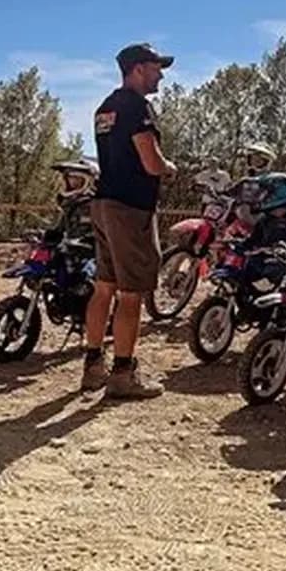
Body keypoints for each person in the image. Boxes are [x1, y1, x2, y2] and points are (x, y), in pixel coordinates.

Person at [82, 43, 177, 398]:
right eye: (156, 67)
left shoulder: (104, 108)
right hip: (130, 208)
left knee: (103, 286)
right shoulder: (138, 107)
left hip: (103, 203)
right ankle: (123, 372)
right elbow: (151, 162)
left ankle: (93, 365)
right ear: (138, 69)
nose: (161, 74)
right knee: (132, 293)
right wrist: (169, 168)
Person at [234, 172, 286, 285]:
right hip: (258, 263)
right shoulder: (265, 220)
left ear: (280, 194)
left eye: (264, 193)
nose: (260, 196)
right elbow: (254, 239)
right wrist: (240, 244)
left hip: (277, 268)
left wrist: (284, 246)